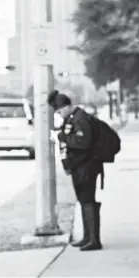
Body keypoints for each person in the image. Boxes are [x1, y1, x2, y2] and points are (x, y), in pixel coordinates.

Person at [47, 90, 103, 251]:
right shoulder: (74, 117)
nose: (59, 114)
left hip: (87, 166)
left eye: (59, 111)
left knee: (88, 201)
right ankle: (87, 237)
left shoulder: (80, 118)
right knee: (83, 201)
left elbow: (83, 142)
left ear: (65, 107)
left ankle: (94, 239)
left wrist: (61, 137)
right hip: (79, 166)